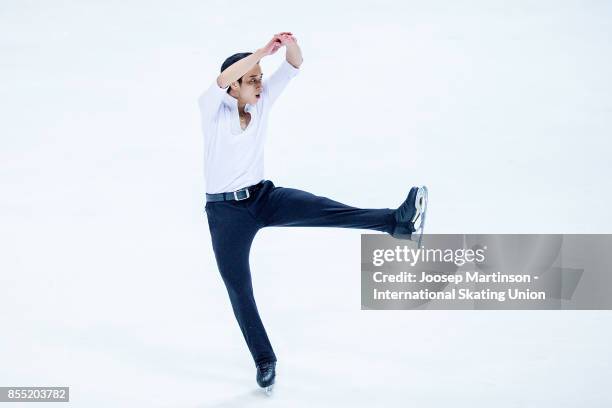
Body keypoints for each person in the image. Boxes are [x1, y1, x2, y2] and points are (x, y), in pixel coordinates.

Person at [197, 32, 428, 394]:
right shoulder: (212, 107)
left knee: (323, 208)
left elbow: (294, 63)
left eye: (260, 77)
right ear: (234, 86)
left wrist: (286, 46)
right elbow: (223, 78)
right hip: (226, 213)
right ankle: (264, 360)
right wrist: (261, 52)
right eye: (253, 78)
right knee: (239, 287)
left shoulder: (262, 101)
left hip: (263, 198)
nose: (260, 83)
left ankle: (396, 223)